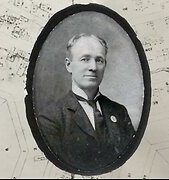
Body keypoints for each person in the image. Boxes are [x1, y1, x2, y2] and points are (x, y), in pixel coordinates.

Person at [37, 33, 135, 171]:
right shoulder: (51, 118)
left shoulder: (119, 112)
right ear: (68, 65)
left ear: (105, 65)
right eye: (85, 59)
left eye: (99, 60)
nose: (93, 67)